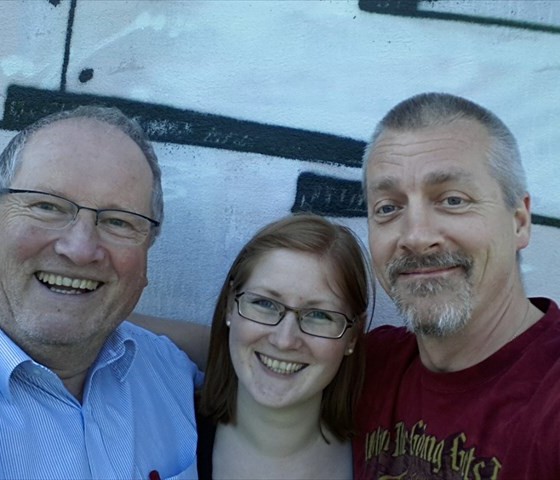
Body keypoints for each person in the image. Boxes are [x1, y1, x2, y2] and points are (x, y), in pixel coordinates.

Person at [354, 92, 560, 479]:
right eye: (388, 208)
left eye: (452, 200)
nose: (416, 237)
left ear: (519, 222)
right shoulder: (366, 370)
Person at [0, 106, 202, 479]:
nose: (79, 249)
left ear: (147, 250)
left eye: (118, 222)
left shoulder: (171, 374)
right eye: (47, 206)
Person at [197, 213, 371, 479]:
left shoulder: (383, 458)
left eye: (319, 315)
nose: (284, 340)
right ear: (230, 306)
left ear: (353, 337)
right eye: (265, 304)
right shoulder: (167, 431)